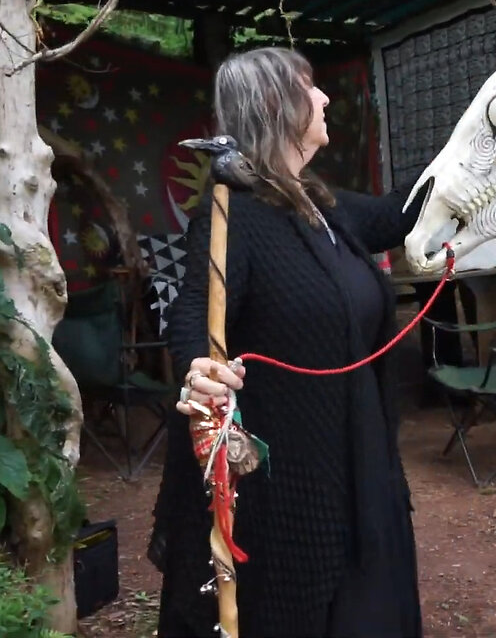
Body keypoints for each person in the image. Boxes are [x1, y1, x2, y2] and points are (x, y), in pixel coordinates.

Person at [150, 45, 427, 637]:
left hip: (361, 456)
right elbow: (195, 313)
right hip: (291, 484)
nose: (325, 98)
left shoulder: (321, 205)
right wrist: (198, 368)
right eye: (311, 87)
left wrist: (492, 139)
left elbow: (400, 211)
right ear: (278, 103)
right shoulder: (231, 213)